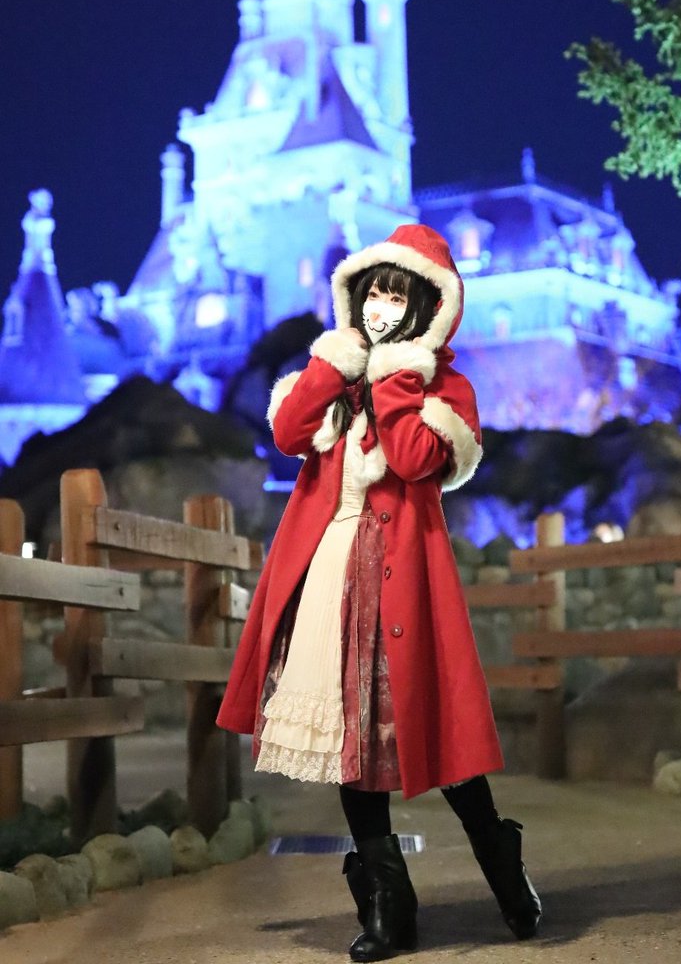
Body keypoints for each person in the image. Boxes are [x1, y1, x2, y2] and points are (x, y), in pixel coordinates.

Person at [217, 224, 542, 961]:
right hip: (326, 569)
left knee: (435, 732)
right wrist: (335, 366)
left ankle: (501, 860)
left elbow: (416, 456)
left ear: (427, 306)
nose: (381, 308)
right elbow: (289, 432)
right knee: (350, 740)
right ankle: (389, 906)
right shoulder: (335, 371)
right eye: (373, 294)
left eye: (398, 297)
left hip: (403, 577)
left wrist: (397, 379)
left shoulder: (443, 386)